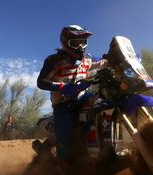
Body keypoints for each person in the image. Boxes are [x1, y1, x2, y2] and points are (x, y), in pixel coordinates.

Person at [37, 25, 107, 167]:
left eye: (83, 41)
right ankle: (64, 162)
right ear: (65, 42)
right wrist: (61, 86)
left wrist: (117, 59)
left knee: (103, 102)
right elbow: (41, 82)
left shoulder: (88, 58)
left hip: (83, 97)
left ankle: (101, 143)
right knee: (64, 129)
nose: (81, 46)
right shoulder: (53, 61)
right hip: (63, 103)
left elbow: (103, 61)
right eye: (76, 42)